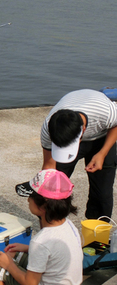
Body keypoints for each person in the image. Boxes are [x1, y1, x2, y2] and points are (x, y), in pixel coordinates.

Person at [40, 89, 117, 220]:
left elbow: (115, 125)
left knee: (103, 192)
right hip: (68, 133)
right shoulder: (49, 128)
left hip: (102, 137)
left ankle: (97, 231)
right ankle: (53, 224)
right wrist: (45, 189)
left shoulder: (106, 111)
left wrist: (102, 153)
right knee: (54, 186)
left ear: (84, 131)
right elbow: (49, 165)